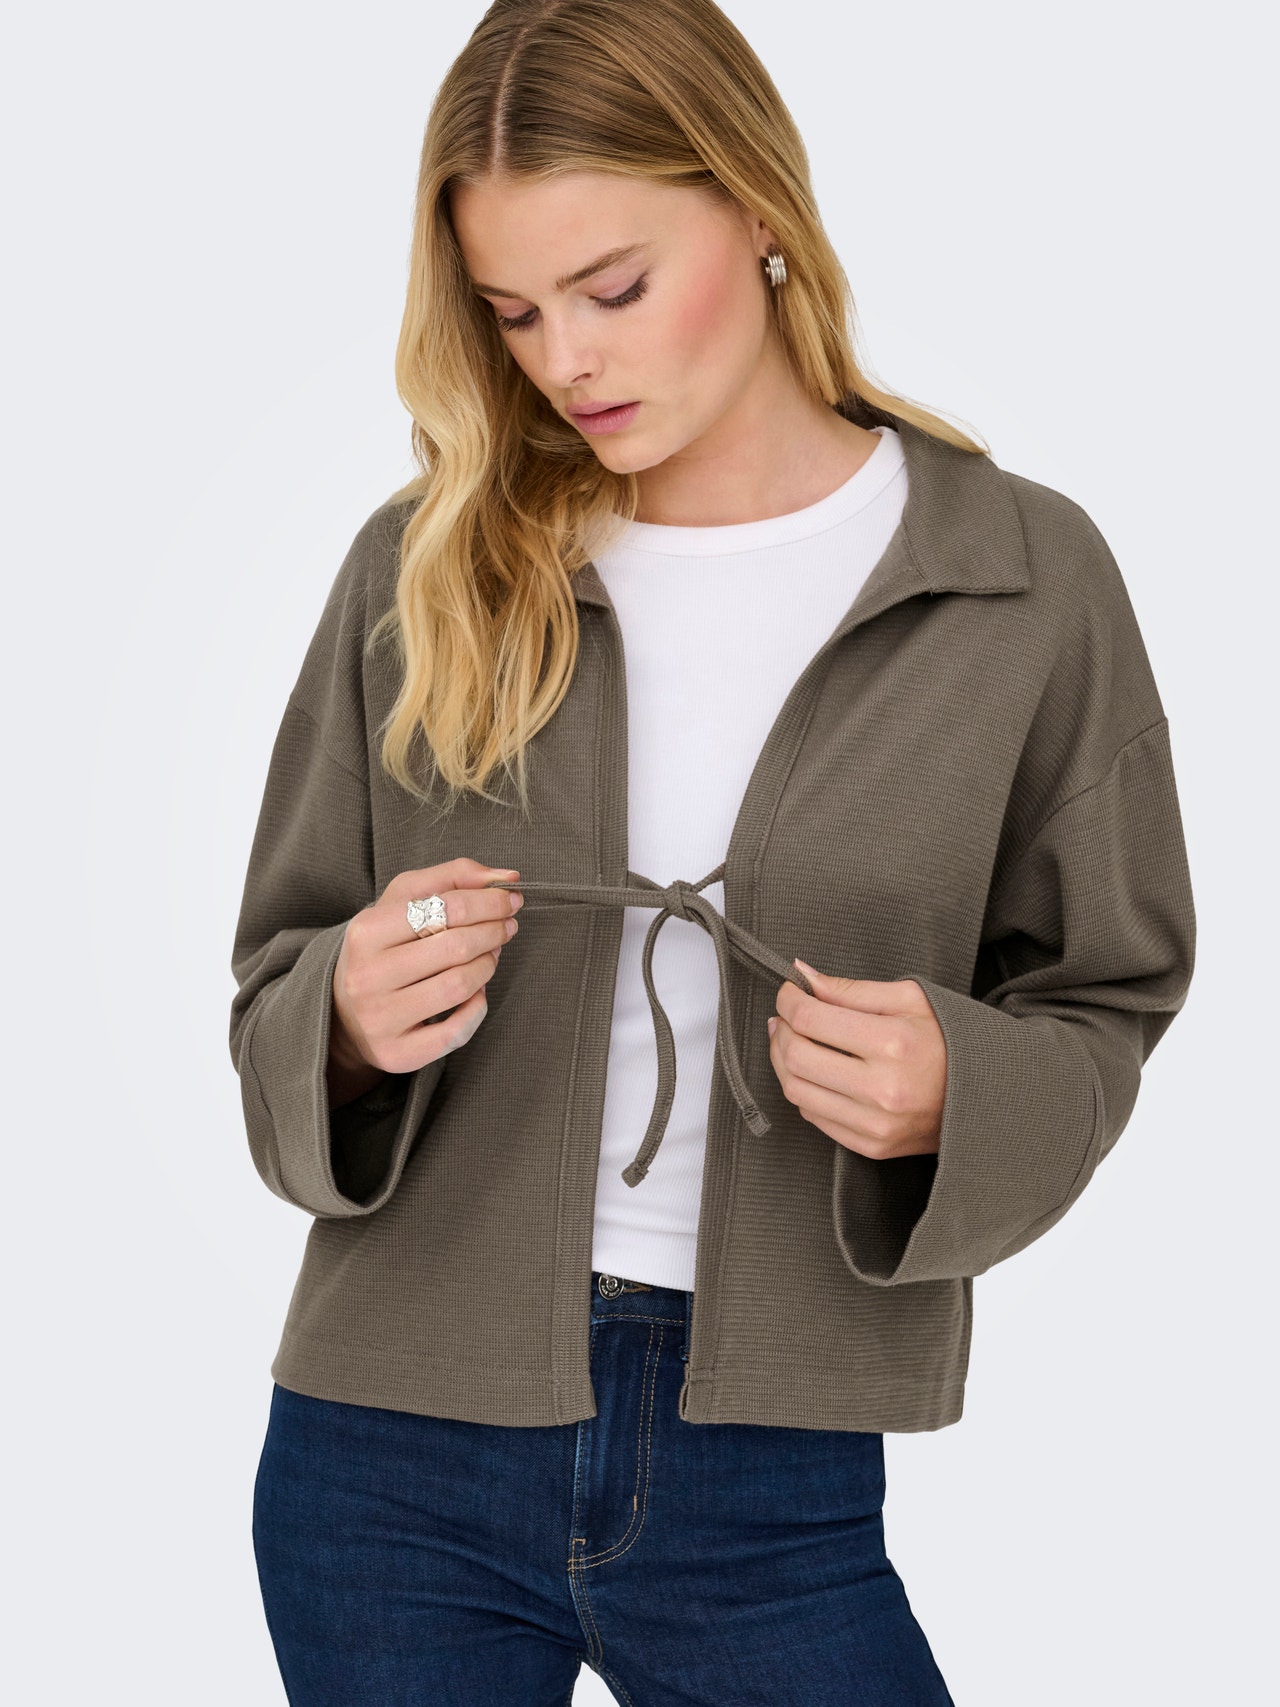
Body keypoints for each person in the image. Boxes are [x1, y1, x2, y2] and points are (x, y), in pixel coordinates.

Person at [229, 2, 1196, 1702]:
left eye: (612, 288)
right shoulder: (425, 567)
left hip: (774, 1477)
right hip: (387, 1458)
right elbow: (272, 990)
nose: (565, 361)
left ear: (757, 211)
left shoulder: (1022, 580)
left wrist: (957, 1088)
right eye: (512, 311)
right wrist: (348, 1022)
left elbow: (1109, 996)